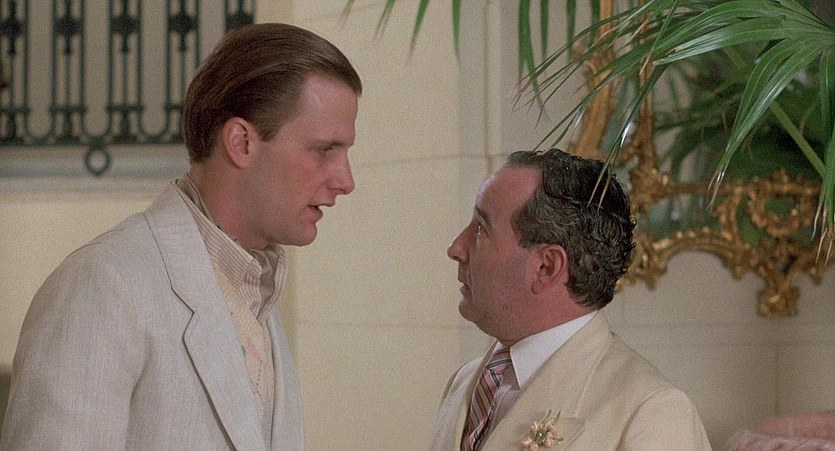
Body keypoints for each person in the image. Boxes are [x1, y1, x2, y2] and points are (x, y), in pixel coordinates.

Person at [0, 23, 361, 451]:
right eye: (324, 151)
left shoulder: (256, 292)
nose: (346, 181)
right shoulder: (102, 286)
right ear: (241, 143)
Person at [430, 149, 711, 450]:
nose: (456, 248)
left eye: (481, 229)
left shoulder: (652, 414)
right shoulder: (465, 383)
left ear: (546, 267)